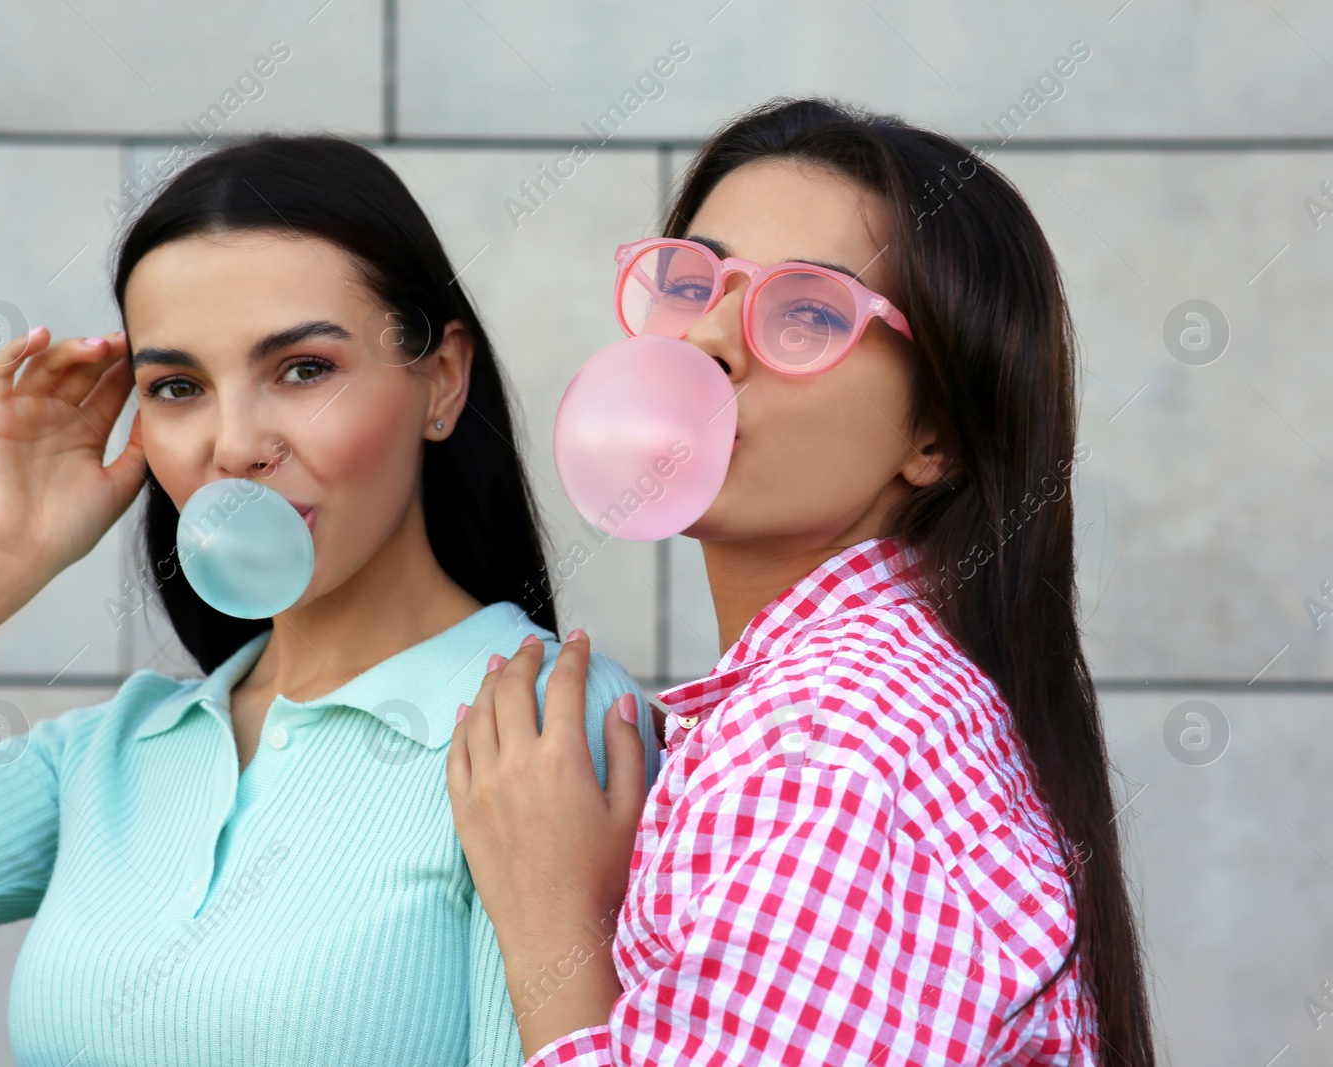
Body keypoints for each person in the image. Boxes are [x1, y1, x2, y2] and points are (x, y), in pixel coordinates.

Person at [0, 134, 659, 1067]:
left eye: (303, 369)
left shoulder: (545, 731)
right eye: (178, 387)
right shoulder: (111, 756)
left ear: (441, 381)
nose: (236, 443)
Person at [450, 97, 1157, 1065]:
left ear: (936, 433)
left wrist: (549, 915)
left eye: (809, 312)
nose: (706, 341)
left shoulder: (833, 750)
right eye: (691, 284)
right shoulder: (853, 708)